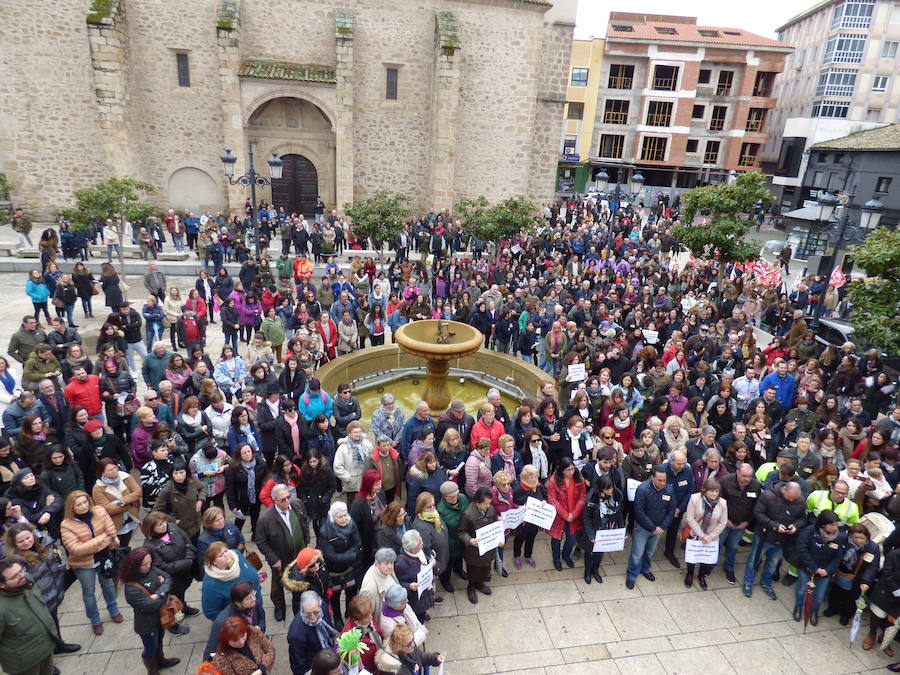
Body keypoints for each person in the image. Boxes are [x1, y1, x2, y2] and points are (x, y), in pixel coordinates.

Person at [2, 523, 81, 654]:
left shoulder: (43, 545)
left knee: (53, 622)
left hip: (52, 593)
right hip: (38, 600)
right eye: (21, 541)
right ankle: (47, 659)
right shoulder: (16, 561)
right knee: (43, 630)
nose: (26, 542)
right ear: (14, 543)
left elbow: (44, 537)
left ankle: (59, 646)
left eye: (28, 537)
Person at [59, 490, 122, 635]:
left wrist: (112, 541)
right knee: (89, 593)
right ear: (71, 507)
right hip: (83, 564)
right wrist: (101, 539)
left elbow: (111, 532)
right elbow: (76, 549)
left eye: (85, 502)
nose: (83, 506)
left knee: (108, 586)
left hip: (104, 558)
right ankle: (95, 620)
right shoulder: (66, 525)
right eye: (78, 504)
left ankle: (114, 610)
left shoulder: (99, 511)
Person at [120, 547, 183, 673]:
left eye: (150, 562)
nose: (149, 566)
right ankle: (152, 670)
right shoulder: (131, 588)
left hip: (160, 617)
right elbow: (150, 605)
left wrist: (158, 594)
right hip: (147, 624)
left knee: (159, 641)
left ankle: (161, 661)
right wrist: (162, 591)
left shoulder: (151, 569)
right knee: (150, 648)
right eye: (145, 564)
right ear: (135, 566)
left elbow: (168, 579)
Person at [742, 481, 807, 600]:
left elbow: (803, 518)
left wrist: (795, 526)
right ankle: (748, 582)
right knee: (754, 560)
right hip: (764, 536)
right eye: (790, 497)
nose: (792, 500)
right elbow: (758, 513)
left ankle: (766, 583)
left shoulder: (800, 500)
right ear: (784, 490)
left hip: (783, 539)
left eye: (795, 498)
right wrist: (774, 525)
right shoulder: (768, 495)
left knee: (772, 563)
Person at [255, 483, 310, 623]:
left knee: (299, 580)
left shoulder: (297, 505)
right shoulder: (265, 518)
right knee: (278, 585)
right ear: (274, 500)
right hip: (280, 559)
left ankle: (298, 602)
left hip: (299, 555)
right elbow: (260, 541)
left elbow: (305, 522)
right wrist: (273, 559)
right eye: (283, 499)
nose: (287, 501)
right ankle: (279, 606)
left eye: (288, 497)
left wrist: (307, 541)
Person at [0, 556, 61, 675]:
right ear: (2, 584)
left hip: (46, 648)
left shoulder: (27, 580)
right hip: (25, 662)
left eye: (21, 570)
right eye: (14, 576)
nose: (22, 576)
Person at [792, 510, 845, 625]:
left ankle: (814, 611)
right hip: (806, 569)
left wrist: (828, 570)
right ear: (823, 524)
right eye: (832, 525)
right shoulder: (810, 531)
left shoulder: (839, 537)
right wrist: (814, 567)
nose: (835, 528)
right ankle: (798, 607)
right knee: (801, 590)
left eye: (836, 524)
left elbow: (838, 557)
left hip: (824, 574)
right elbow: (802, 549)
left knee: (819, 596)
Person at [825, 523, 880, 625]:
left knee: (851, 599)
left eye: (862, 538)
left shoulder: (872, 548)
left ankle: (846, 615)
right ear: (851, 536)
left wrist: (866, 581)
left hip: (858, 577)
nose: (859, 540)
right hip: (841, 572)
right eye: (856, 537)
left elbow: (872, 567)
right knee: (835, 592)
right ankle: (833, 608)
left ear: (867, 537)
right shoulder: (842, 539)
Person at [319, 500, 363, 624]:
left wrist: (347, 555)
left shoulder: (351, 523)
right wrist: (352, 555)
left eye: (345, 515)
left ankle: (349, 614)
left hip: (352, 568)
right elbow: (331, 556)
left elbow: (358, 543)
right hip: (334, 571)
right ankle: (337, 618)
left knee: (351, 593)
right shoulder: (325, 531)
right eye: (340, 516)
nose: (344, 519)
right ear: (333, 517)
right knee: (335, 597)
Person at [718, 464, 761, 584]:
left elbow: (756, 507)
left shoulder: (756, 485)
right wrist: (724, 519)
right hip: (724, 522)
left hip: (741, 524)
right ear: (737, 472)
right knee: (718, 544)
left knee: (733, 546)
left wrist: (747, 522)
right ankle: (709, 564)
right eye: (744, 476)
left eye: (749, 476)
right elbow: (718, 502)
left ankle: (729, 568)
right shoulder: (725, 481)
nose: (747, 479)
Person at [683, 478, 728, 589]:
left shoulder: (722, 503)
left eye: (717, 491)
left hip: (712, 536)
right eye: (712, 491)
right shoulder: (695, 498)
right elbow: (690, 518)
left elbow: (723, 522)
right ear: (704, 490)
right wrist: (702, 535)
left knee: (706, 559)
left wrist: (710, 536)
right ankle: (689, 574)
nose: (714, 493)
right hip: (696, 533)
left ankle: (701, 576)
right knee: (692, 557)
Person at [201, 541, 264, 621]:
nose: (226, 555)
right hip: (240, 620)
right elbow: (211, 612)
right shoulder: (211, 583)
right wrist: (234, 623)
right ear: (214, 562)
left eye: (226, 551)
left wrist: (256, 578)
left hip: (256, 606)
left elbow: (249, 569)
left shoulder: (237, 555)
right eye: (221, 555)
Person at [581, 472, 625, 584]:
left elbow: (619, 514)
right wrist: (591, 536)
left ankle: (595, 570)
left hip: (606, 530)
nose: (610, 492)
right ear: (600, 489)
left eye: (611, 489)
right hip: (594, 528)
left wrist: (622, 530)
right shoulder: (592, 499)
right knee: (589, 552)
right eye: (607, 490)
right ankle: (587, 571)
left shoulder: (616, 496)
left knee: (600, 552)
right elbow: (586, 518)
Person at [457, 486, 497, 604]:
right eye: (485, 504)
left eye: (489, 503)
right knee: (473, 570)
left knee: (485, 567)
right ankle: (471, 587)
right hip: (474, 550)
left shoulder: (491, 510)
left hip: (487, 547)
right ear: (477, 502)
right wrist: (469, 540)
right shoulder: (468, 514)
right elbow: (461, 531)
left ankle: (480, 583)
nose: (488, 507)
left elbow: (495, 524)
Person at [92, 457, 142, 548]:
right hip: (116, 523)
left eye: (115, 467)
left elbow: (138, 492)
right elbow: (107, 509)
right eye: (110, 470)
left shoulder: (125, 477)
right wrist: (130, 502)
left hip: (132, 517)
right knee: (119, 546)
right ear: (102, 472)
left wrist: (121, 501)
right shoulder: (98, 488)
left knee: (127, 541)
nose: (114, 471)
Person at [287, 590, 339, 675]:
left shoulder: (324, 608)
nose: (313, 618)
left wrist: (335, 649)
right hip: (315, 666)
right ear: (302, 610)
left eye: (316, 612)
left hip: (328, 655)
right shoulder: (296, 634)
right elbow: (298, 664)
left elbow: (330, 632)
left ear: (320, 605)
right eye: (308, 614)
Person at [210, 615, 276, 675]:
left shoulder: (252, 631)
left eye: (243, 636)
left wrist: (262, 669)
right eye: (235, 640)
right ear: (226, 640)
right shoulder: (221, 659)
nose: (241, 641)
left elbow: (270, 649)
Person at [374, 622, 444, 675]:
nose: (413, 645)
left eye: (413, 639)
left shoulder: (409, 647)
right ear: (399, 646)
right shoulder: (391, 669)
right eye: (409, 644)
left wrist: (435, 658)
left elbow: (420, 656)